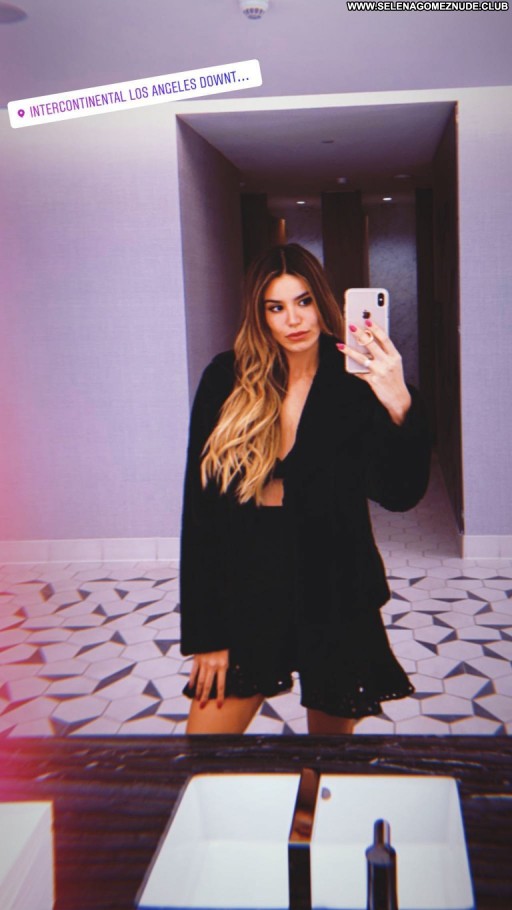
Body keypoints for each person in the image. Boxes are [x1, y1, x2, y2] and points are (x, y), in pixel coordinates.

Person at [179, 243, 430, 735]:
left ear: (322, 302)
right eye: (276, 307)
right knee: (203, 752)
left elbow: (399, 494)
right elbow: (201, 512)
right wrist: (207, 635)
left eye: (304, 301)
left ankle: (314, 795)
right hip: (250, 584)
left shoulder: (355, 381)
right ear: (260, 315)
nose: (293, 319)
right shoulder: (226, 379)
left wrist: (399, 402)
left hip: (335, 587)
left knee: (327, 763)